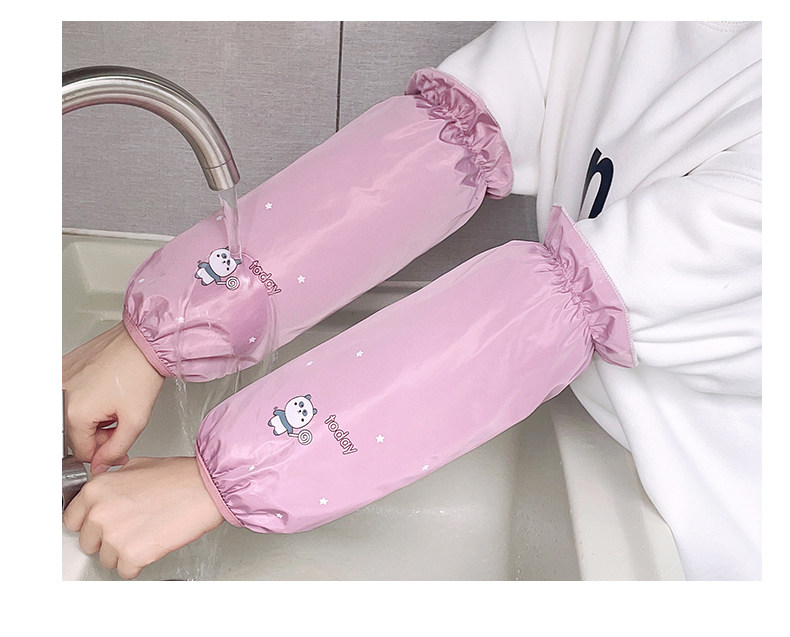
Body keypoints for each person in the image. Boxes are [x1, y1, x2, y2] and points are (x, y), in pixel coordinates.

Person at [63, 21, 761, 581]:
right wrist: (158, 334)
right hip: (611, 450)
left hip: (708, 533)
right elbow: (438, 142)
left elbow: (541, 312)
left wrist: (220, 481)